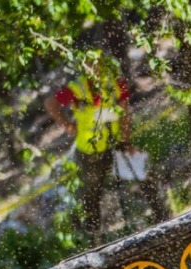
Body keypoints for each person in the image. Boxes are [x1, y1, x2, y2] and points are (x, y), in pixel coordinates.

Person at [47, 57, 166, 242]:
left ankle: (162, 218)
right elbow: (50, 103)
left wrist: (126, 142)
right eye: (89, 65)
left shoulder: (115, 83)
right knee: (92, 195)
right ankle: (95, 238)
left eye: (97, 65)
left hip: (116, 144)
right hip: (90, 151)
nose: (94, 69)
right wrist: (68, 125)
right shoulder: (78, 87)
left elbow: (125, 113)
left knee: (143, 174)